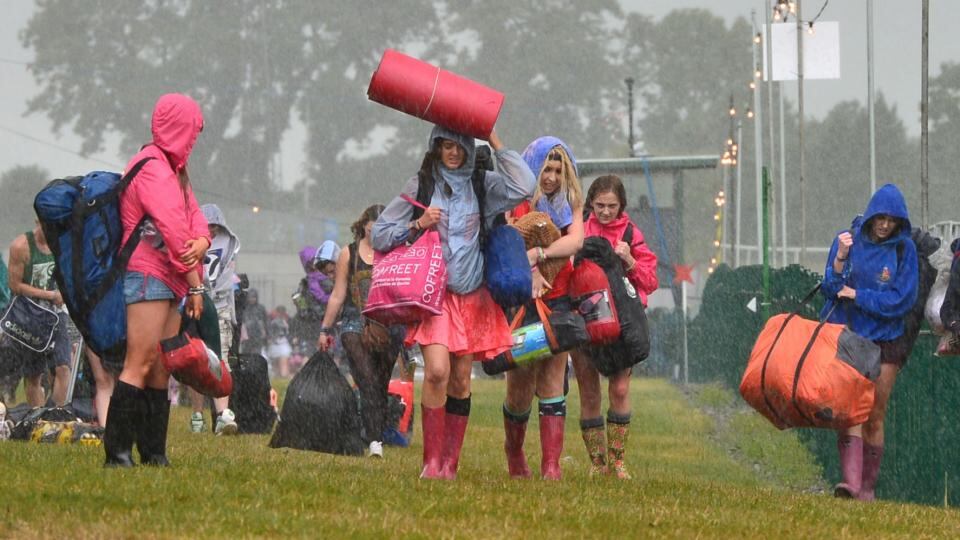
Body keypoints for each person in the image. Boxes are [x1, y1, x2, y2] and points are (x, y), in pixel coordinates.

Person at [372, 125, 535, 479]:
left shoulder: (483, 184)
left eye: (459, 146)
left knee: (461, 380)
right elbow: (380, 233)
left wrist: (494, 139)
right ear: (435, 147)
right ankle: (431, 462)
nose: (453, 153)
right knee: (437, 372)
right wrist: (417, 223)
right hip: (434, 297)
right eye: (446, 146)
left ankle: (450, 463)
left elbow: (524, 185)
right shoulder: (421, 184)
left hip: (473, 294)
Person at [104, 93, 209, 468]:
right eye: (192, 130)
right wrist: (196, 278)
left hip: (172, 276)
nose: (194, 140)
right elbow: (173, 227)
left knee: (163, 365)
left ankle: (153, 452)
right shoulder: (151, 166)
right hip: (148, 273)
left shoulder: (174, 168)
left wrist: (204, 240)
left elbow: (193, 217)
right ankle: (117, 454)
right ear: (179, 127)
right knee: (141, 360)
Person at [820, 183, 918, 501]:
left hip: (887, 341)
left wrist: (859, 295)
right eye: (880, 218)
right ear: (872, 215)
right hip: (850, 336)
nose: (884, 225)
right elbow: (831, 287)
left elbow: (901, 300)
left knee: (875, 411)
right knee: (849, 410)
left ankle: (867, 488)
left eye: (891, 220)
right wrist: (840, 260)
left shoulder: (905, 250)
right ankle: (849, 483)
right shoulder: (848, 240)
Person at [501, 137, 584, 480]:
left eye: (557, 170)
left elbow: (574, 241)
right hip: (521, 300)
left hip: (558, 298)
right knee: (520, 381)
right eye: (545, 169)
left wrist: (540, 255)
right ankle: (515, 453)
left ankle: (551, 463)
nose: (550, 177)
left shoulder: (571, 202)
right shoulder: (516, 200)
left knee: (552, 377)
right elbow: (508, 242)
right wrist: (530, 265)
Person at [570, 175, 658, 479]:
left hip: (622, 326)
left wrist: (629, 259)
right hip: (584, 323)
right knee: (589, 392)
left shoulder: (632, 233)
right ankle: (598, 464)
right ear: (590, 203)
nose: (605, 212)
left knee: (619, 389)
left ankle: (618, 462)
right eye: (599, 206)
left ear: (622, 206)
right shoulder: (577, 228)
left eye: (612, 206)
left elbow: (651, 281)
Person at [319, 205, 400, 458]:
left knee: (381, 381)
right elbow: (338, 294)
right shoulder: (348, 253)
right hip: (354, 322)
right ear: (364, 224)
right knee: (367, 379)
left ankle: (373, 431)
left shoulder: (394, 251)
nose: (376, 228)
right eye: (373, 223)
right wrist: (325, 329)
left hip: (388, 325)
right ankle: (375, 442)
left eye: (383, 224)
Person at [187, 203, 240, 435]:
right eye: (209, 227)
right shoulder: (191, 241)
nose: (212, 232)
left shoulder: (227, 245)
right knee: (196, 361)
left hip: (219, 306)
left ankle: (222, 415)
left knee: (220, 359)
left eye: (216, 228)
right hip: (195, 304)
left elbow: (225, 280)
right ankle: (197, 416)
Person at [6, 223, 71, 408]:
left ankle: (53, 417)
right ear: (38, 221)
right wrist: (50, 295)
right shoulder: (21, 246)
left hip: (57, 315)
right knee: (34, 374)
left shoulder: (64, 244)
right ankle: (37, 421)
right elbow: (15, 286)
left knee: (63, 368)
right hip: (30, 315)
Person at [291, 242, 338, 360]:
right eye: (309, 263)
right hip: (311, 325)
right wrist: (301, 306)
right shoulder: (305, 283)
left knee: (329, 352)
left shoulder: (330, 278)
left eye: (314, 262)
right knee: (311, 354)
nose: (312, 266)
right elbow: (301, 305)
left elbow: (337, 297)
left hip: (328, 321)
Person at [240, 288, 269, 357]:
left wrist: (266, 333)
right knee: (246, 354)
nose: (252, 299)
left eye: (253, 297)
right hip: (246, 336)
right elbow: (241, 321)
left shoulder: (261, 308)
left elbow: (265, 321)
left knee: (257, 354)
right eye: (250, 297)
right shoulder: (244, 308)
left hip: (257, 336)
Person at [266, 306, 293, 378]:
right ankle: (279, 375)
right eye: (279, 312)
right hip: (276, 344)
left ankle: (283, 374)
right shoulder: (273, 321)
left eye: (282, 312)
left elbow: (288, 332)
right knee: (276, 364)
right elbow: (271, 333)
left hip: (282, 344)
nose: (280, 314)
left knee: (283, 361)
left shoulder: (287, 321)